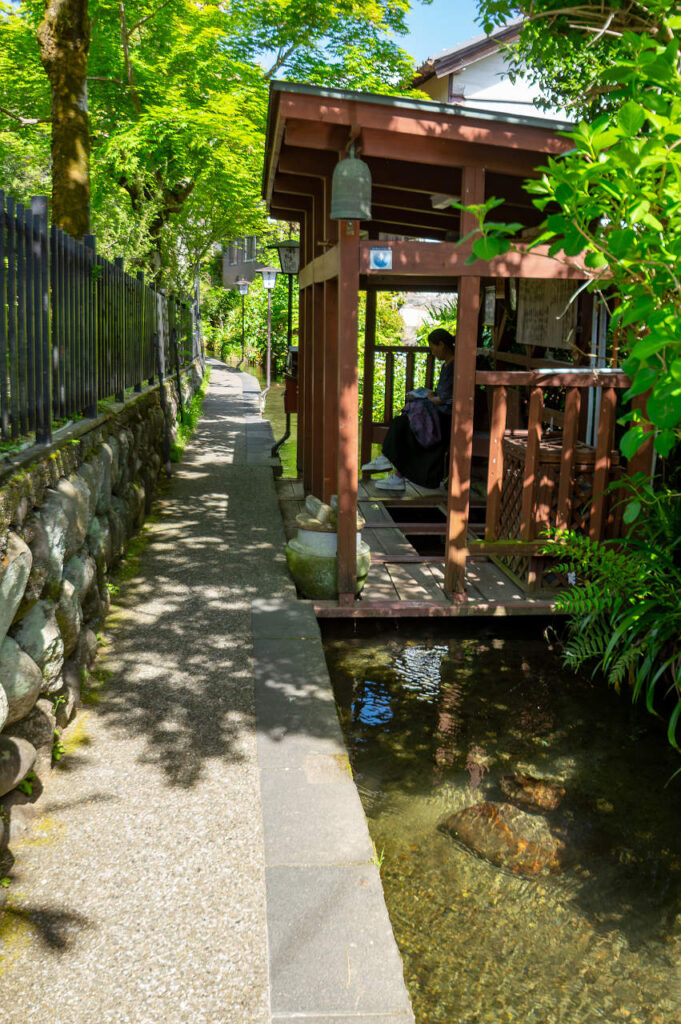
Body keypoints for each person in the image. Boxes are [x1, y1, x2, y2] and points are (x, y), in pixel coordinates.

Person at [361, 328, 455, 491]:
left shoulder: (454, 366)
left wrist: (428, 397)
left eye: (433, 348)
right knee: (403, 423)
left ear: (442, 345)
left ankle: (389, 464)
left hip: (446, 418)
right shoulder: (447, 366)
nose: (432, 352)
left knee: (404, 423)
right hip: (439, 414)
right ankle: (393, 471)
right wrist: (430, 394)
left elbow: (445, 399)